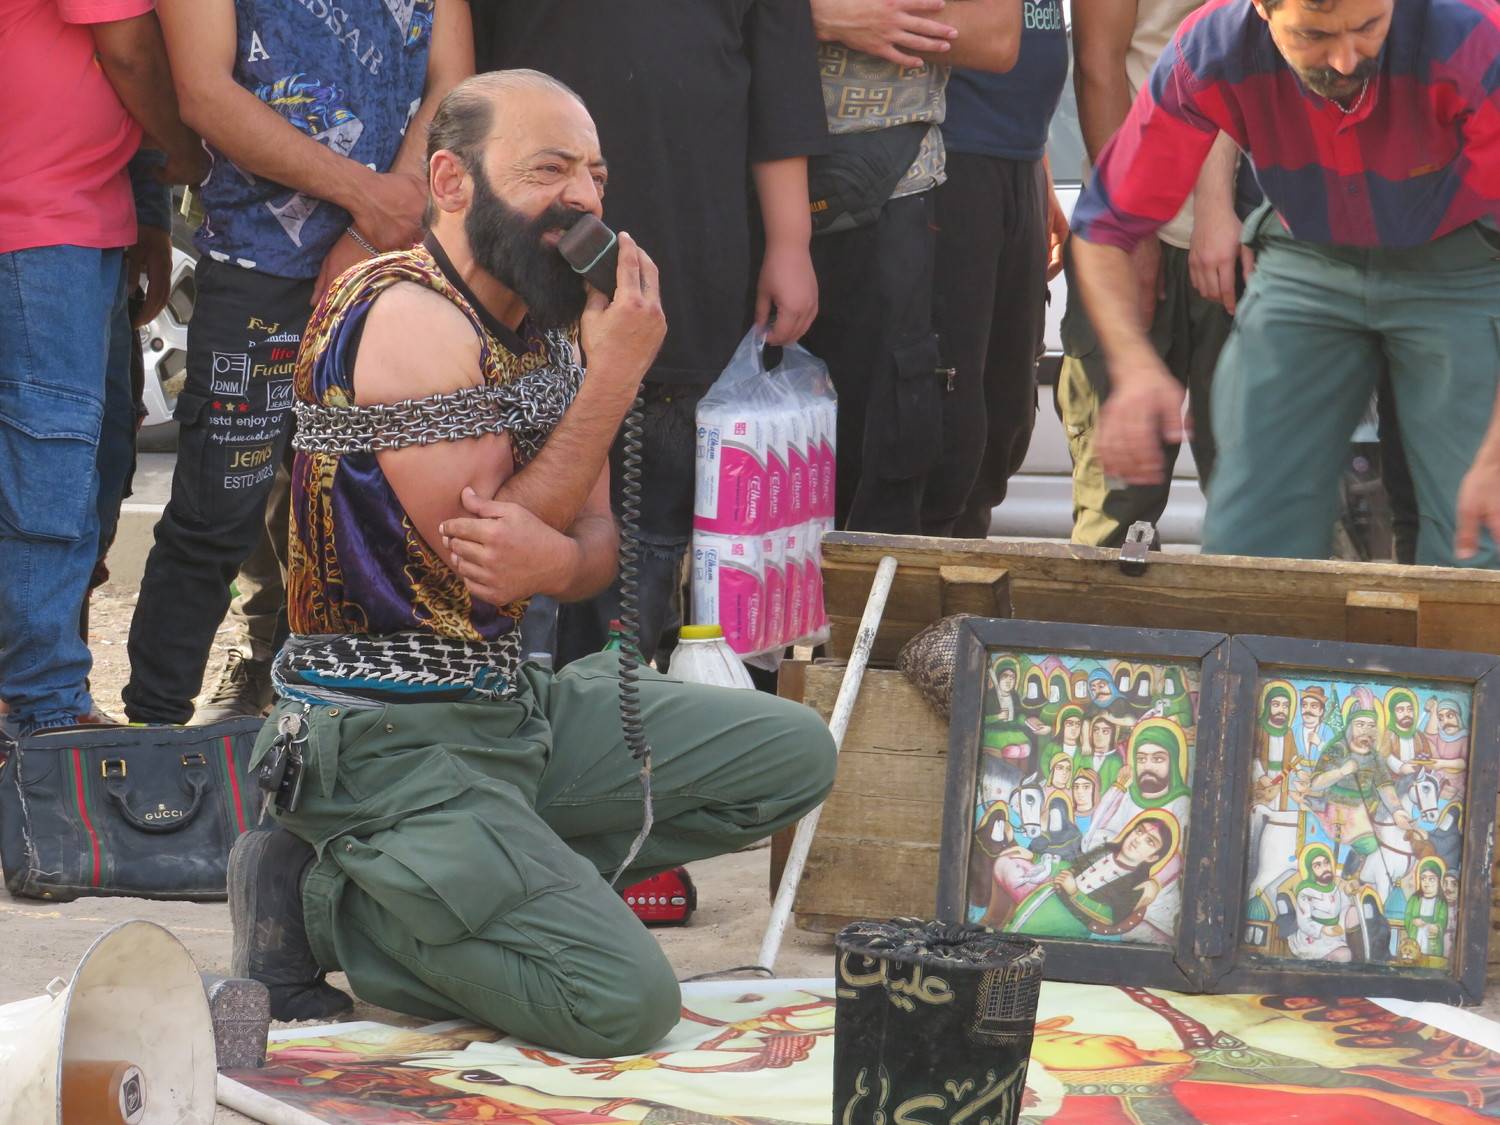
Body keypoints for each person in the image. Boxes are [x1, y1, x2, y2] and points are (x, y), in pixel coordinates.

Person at [228, 72, 838, 1056]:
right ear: (451, 181)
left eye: (596, 176)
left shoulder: (551, 328)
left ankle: (500, 880)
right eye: (550, 170)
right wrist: (615, 377)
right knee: (621, 1005)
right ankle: (326, 898)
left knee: (797, 755)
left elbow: (588, 552)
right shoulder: (402, 312)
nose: (584, 199)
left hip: (511, 710)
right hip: (385, 744)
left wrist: (554, 551)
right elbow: (486, 557)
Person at [122, 0, 473, 725]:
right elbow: (203, 92)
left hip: (391, 267)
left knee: (359, 518)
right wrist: (366, 197)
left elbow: (455, 85)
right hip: (259, 265)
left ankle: (312, 722)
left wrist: (376, 226)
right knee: (216, 514)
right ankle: (152, 740)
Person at [1071, 0, 1500, 567]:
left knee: (1482, 528)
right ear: (1260, 8)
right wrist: (1132, 363)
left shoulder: (1475, 38)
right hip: (1309, 258)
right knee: (1254, 527)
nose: (1345, 60)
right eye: (1314, 35)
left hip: (1458, 266)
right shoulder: (1211, 50)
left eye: (1368, 26)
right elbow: (1104, 225)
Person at [472, 1, 829, 667]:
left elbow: (781, 87)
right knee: (508, 570)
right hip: (518, 287)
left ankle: (614, 720)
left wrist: (790, 239)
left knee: (639, 571)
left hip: (681, 273)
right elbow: (459, 81)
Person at [0, 0, 202, 737]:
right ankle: (42, 709)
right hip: (37, 217)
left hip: (76, 211)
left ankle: (44, 695)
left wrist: (147, 210)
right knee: (50, 462)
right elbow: (128, 51)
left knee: (82, 459)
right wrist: (188, 150)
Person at [802, 0, 1021, 534]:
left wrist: (859, 17)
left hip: (891, 187)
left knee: (890, 454)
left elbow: (995, 35)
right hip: (732, 172)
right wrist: (817, 15)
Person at [1059, 0, 1252, 549]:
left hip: (1248, 233)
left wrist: (1215, 204)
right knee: (1114, 513)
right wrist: (1134, 232)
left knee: (1256, 512)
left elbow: (1245, 47)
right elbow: (1097, 63)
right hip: (1138, 224)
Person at [922, 0, 1070, 538]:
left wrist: (1041, 169)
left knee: (1007, 404)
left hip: (1021, 157)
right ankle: (932, 564)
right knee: (950, 406)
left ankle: (966, 557)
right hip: (949, 156)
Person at [1005, 811, 1178, 939]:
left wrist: (1075, 893)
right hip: (1044, 900)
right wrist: (1035, 857)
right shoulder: (1104, 850)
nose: (1138, 839)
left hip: (1069, 925)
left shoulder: (1137, 884)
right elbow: (1072, 868)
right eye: (1139, 831)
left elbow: (1110, 917)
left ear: (1153, 857)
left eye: (1150, 841)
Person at [1289, 843, 1353, 962]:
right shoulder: (1306, 892)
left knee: (1347, 955)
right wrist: (1323, 929)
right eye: (1318, 866)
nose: (1325, 868)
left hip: (1335, 935)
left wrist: (1340, 926)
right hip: (1313, 937)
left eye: (1326, 863)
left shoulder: (1336, 887)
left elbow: (1346, 906)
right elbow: (1303, 922)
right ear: (1310, 870)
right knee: (1343, 956)